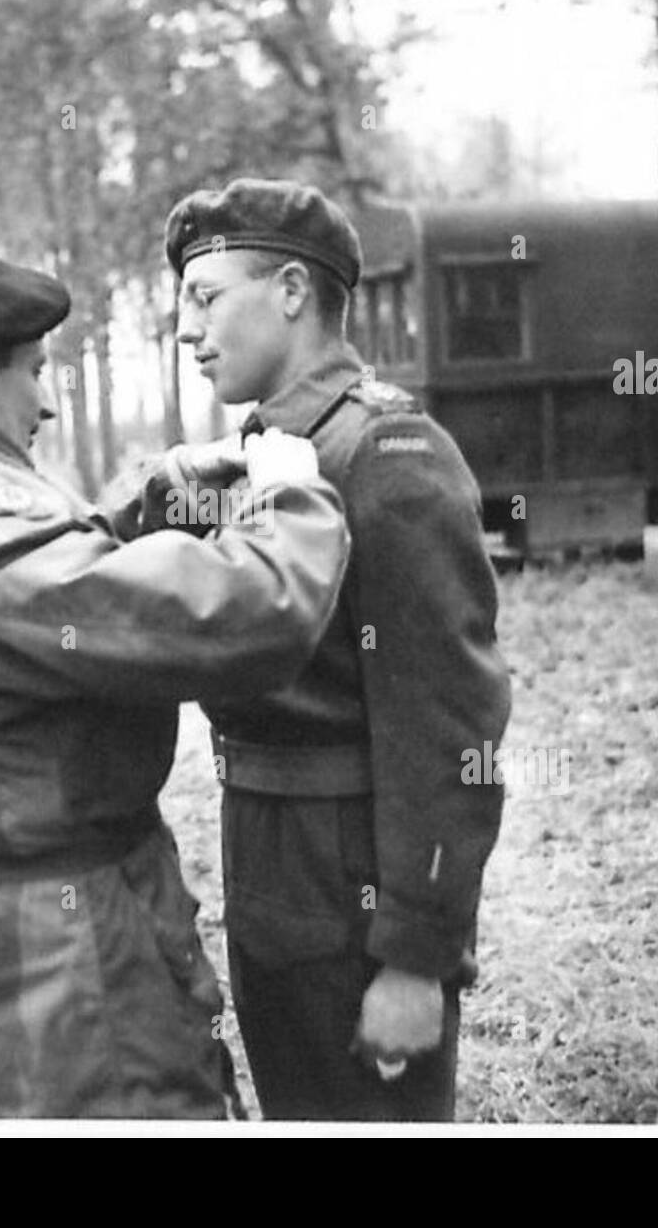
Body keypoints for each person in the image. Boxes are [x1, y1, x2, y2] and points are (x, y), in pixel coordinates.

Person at [0, 256, 350, 1119]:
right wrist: (292, 497)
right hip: (60, 965)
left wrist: (153, 494)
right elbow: (251, 613)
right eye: (33, 371)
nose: (49, 401)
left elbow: (45, 582)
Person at [163, 178, 513, 1120]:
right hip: (272, 858)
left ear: (288, 290)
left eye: (205, 299)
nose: (188, 330)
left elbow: (451, 727)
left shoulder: (386, 450)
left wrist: (416, 961)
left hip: (351, 879)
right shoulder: (265, 447)